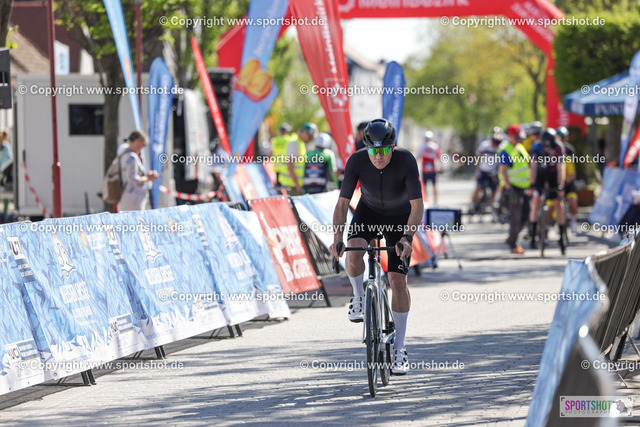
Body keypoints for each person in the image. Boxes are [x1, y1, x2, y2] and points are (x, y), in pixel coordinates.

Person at [329, 118, 423, 375]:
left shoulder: (406, 160)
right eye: (373, 150)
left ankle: (400, 347)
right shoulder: (356, 161)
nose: (378, 156)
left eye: (383, 150)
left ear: (392, 146)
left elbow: (417, 205)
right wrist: (337, 237)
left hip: (399, 218)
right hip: (368, 212)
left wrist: (407, 237)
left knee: (397, 280)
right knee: (353, 250)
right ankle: (359, 296)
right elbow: (342, 203)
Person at [528, 128, 566, 252]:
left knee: (558, 204)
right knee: (536, 201)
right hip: (540, 173)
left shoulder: (558, 147)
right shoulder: (536, 146)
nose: (547, 149)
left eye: (549, 147)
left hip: (553, 175)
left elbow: (561, 167)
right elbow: (533, 166)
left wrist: (560, 185)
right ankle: (533, 236)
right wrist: (532, 184)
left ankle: (562, 235)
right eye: (545, 147)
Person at [498, 125, 530, 254]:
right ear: (510, 137)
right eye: (516, 137)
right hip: (512, 188)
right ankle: (513, 243)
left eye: (519, 137)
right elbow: (503, 170)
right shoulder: (505, 151)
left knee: (526, 214)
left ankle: (512, 238)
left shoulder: (520, 148)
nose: (518, 139)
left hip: (524, 188)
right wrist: (508, 187)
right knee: (515, 217)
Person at [117, 131, 160, 211]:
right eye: (144, 145)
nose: (143, 148)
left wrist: (146, 175)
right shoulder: (131, 157)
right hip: (133, 201)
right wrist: (148, 178)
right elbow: (133, 179)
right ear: (138, 141)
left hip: (128, 199)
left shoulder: (124, 154)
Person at [470, 128, 502, 216]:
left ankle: (492, 209)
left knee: (493, 190)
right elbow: (479, 157)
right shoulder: (485, 145)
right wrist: (478, 170)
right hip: (483, 170)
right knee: (478, 187)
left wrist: (497, 172)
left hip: (493, 172)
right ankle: (472, 204)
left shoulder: (501, 147)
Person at [271, 123, 306, 195]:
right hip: (287, 169)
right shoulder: (290, 140)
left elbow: (271, 153)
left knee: (280, 193)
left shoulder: (275, 140)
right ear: (287, 131)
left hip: (278, 168)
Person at [556, 127, 579, 233]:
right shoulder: (554, 149)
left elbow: (571, 169)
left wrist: (567, 180)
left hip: (568, 182)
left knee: (573, 202)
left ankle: (573, 221)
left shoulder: (570, 150)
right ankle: (557, 224)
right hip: (557, 182)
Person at [417, 130, 440, 205]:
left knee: (425, 186)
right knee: (434, 186)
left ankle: (427, 201)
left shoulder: (422, 146)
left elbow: (418, 157)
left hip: (425, 169)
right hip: (432, 169)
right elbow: (438, 157)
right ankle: (435, 202)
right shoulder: (435, 146)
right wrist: (440, 167)